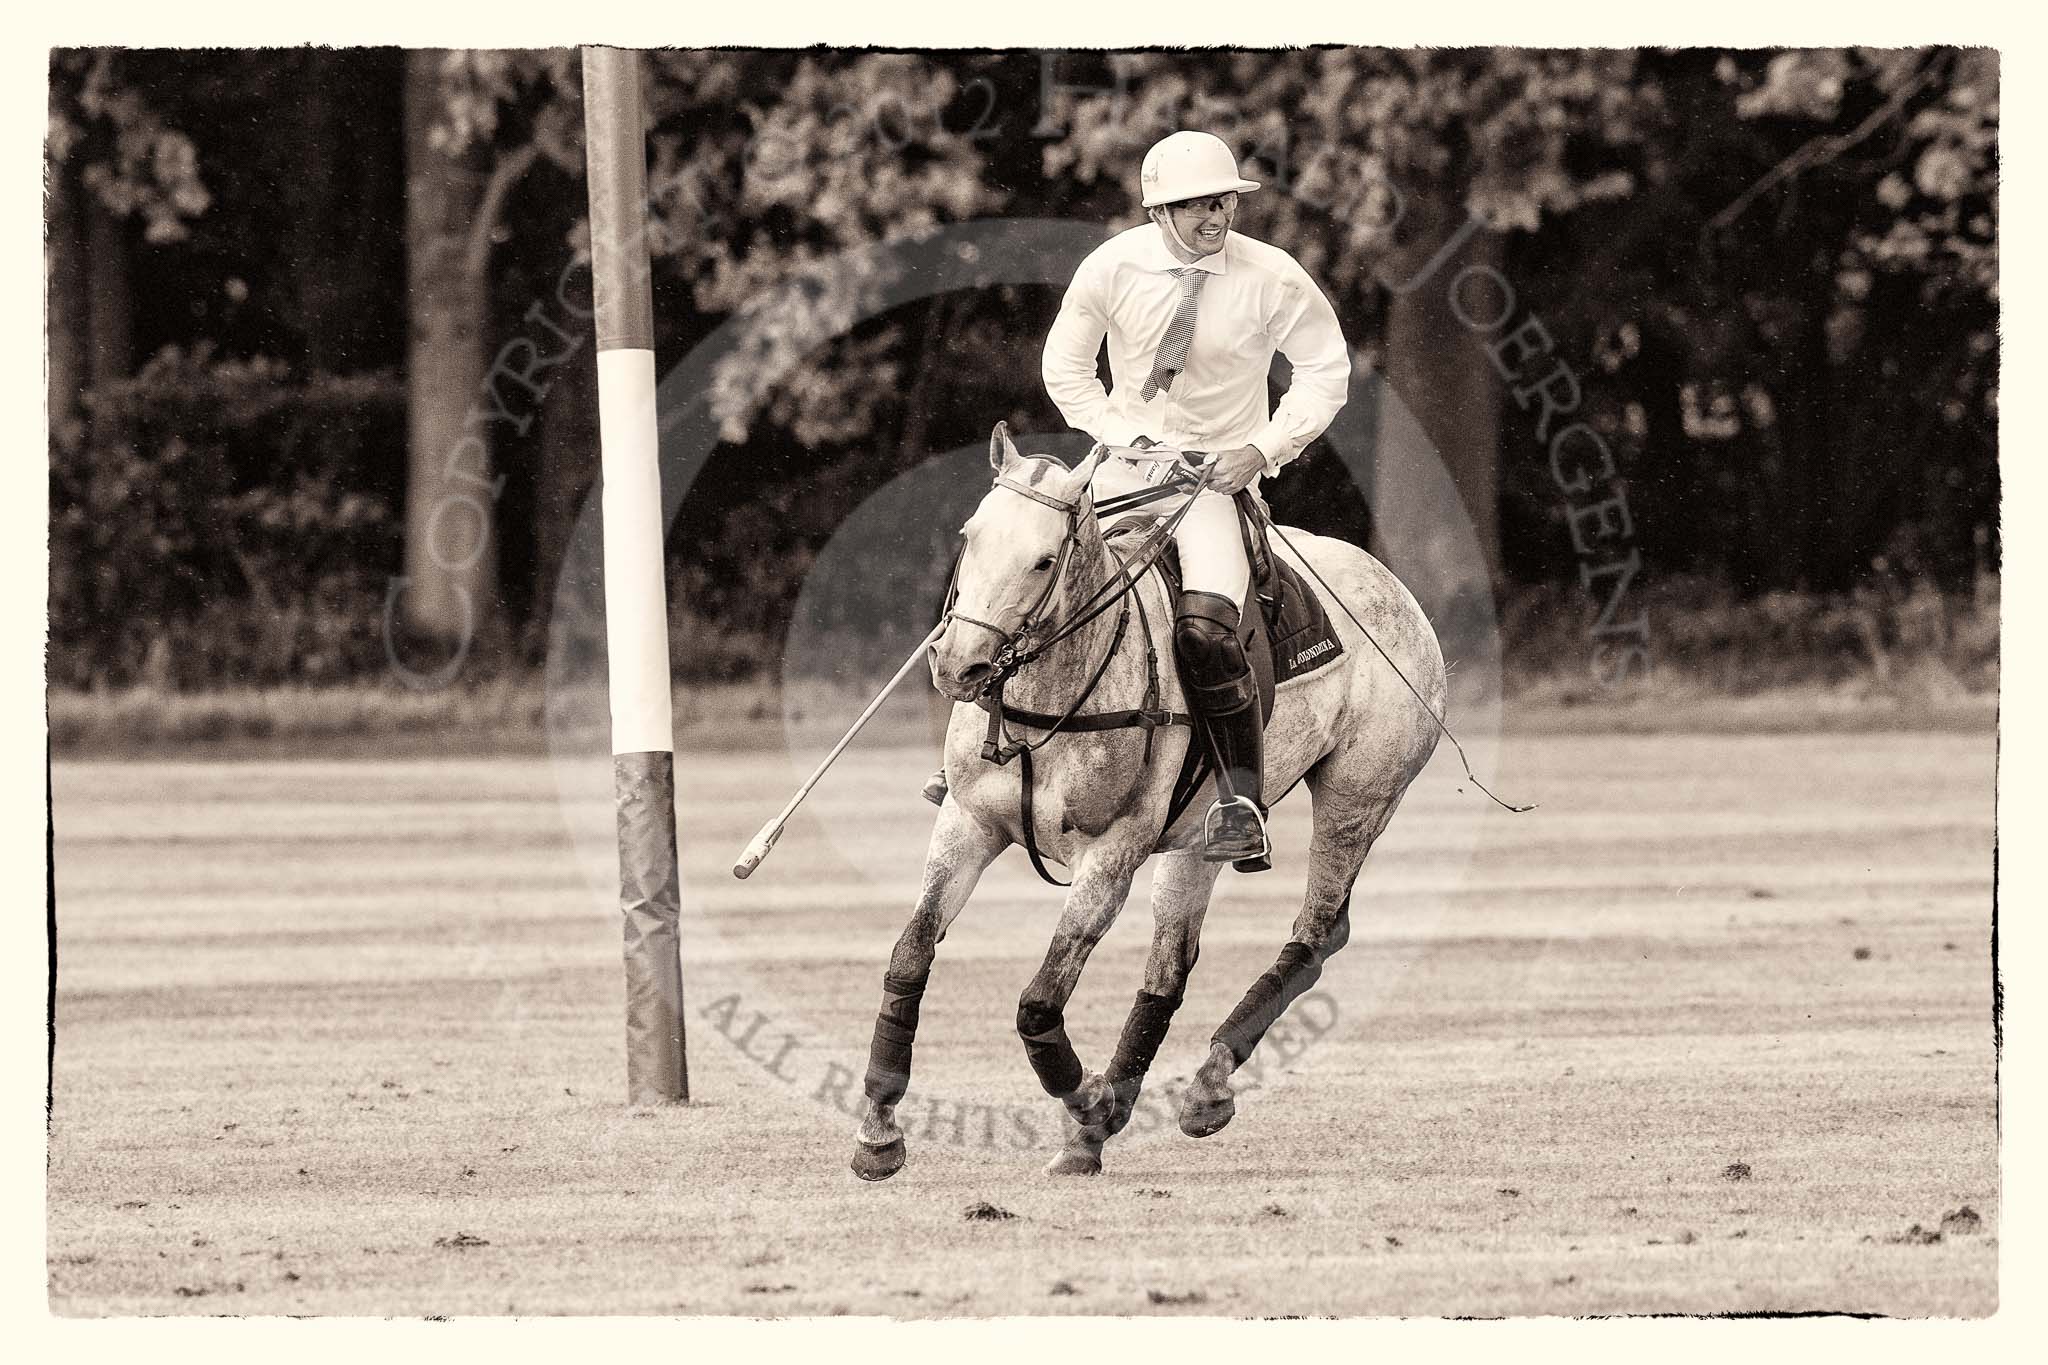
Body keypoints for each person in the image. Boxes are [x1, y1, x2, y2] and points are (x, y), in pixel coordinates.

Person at [927, 130, 1350, 872]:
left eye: (1222, 201)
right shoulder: (1113, 266)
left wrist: (1263, 449)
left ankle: (1240, 798)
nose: (1214, 218)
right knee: (1011, 557)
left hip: (1214, 484)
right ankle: (972, 755)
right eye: (1194, 207)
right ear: (1158, 212)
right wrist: (1125, 434)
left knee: (1211, 625)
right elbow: (1064, 369)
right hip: (1121, 466)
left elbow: (1326, 369)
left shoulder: (1272, 277)